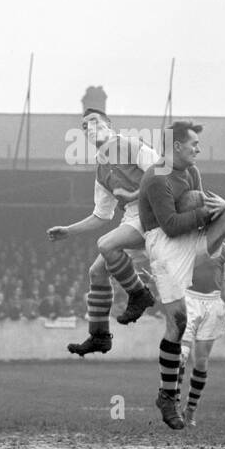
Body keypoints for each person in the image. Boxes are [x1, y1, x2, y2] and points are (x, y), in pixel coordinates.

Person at [137, 120, 225, 430]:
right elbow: (170, 224)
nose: (198, 148)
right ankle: (167, 396)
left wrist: (219, 207)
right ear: (175, 147)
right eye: (193, 144)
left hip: (191, 237)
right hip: (165, 245)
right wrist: (206, 212)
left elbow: (202, 207)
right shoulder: (156, 178)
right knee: (179, 321)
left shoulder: (192, 172)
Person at [49, 105, 161, 355]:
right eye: (85, 125)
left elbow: (162, 173)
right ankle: (99, 336)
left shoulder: (131, 145)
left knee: (106, 244)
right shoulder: (101, 170)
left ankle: (139, 294)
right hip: (133, 217)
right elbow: (102, 215)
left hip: (153, 210)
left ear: (109, 126)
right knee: (97, 271)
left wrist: (133, 193)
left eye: (95, 121)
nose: (90, 127)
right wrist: (69, 230)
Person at [175, 242, 225, 427]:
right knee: (181, 356)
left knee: (201, 361)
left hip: (213, 305)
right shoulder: (189, 243)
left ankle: (191, 410)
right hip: (188, 300)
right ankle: (175, 405)